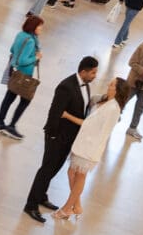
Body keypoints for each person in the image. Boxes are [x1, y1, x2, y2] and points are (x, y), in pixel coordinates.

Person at [23, 56, 100, 223]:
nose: (95, 75)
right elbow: (55, 112)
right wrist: (52, 136)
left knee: (54, 169)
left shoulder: (85, 86)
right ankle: (31, 205)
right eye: (93, 72)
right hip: (57, 136)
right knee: (46, 170)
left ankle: (42, 196)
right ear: (83, 71)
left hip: (69, 137)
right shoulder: (66, 86)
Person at [53, 77, 131, 221]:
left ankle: (66, 209)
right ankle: (77, 206)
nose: (109, 85)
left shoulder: (113, 109)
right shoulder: (105, 101)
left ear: (117, 90)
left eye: (112, 84)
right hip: (83, 143)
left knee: (79, 175)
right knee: (71, 172)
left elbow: (91, 125)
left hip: (90, 147)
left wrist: (67, 115)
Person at [0, 15, 43, 140]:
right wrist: (36, 57)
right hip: (24, 75)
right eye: (40, 26)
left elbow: (12, 49)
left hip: (13, 71)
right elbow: (23, 60)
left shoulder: (20, 35)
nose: (41, 29)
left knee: (9, 97)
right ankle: (11, 127)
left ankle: (0, 124)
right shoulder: (31, 41)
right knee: (26, 100)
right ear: (34, 27)